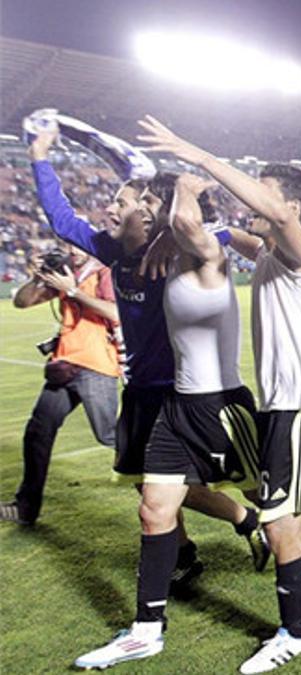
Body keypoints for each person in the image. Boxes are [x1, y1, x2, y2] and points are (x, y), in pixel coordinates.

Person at [129, 117, 301, 672]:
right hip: (282, 405)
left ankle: (296, 632)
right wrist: (171, 231)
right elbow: (228, 236)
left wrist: (198, 156)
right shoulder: (270, 254)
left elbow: (274, 217)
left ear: (294, 211)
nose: (251, 199)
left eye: (264, 191)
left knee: (282, 518)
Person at [21, 127, 263, 592]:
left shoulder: (178, 253)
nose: (110, 209)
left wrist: (178, 235)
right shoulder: (113, 252)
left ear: (150, 218)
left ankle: (290, 531)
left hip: (183, 391)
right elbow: (61, 219)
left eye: (122, 203)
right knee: (143, 482)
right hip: (139, 389)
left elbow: (217, 233)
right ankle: (186, 553)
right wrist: (39, 157)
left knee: (233, 478)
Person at [74, 171, 269, 671]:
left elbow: (198, 226)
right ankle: (147, 629)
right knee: (153, 508)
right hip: (175, 405)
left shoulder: (203, 246)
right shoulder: (154, 252)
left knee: (276, 501)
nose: (138, 212)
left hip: (222, 401)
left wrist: (184, 190)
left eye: (144, 204)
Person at [2, 243, 120, 525]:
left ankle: (173, 467)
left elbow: (116, 313)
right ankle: (26, 508)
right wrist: (39, 278)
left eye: (76, 243)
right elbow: (22, 301)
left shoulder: (103, 271)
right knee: (37, 431)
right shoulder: (65, 273)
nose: (72, 249)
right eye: (66, 243)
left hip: (97, 367)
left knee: (108, 435)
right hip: (65, 366)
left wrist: (73, 290)